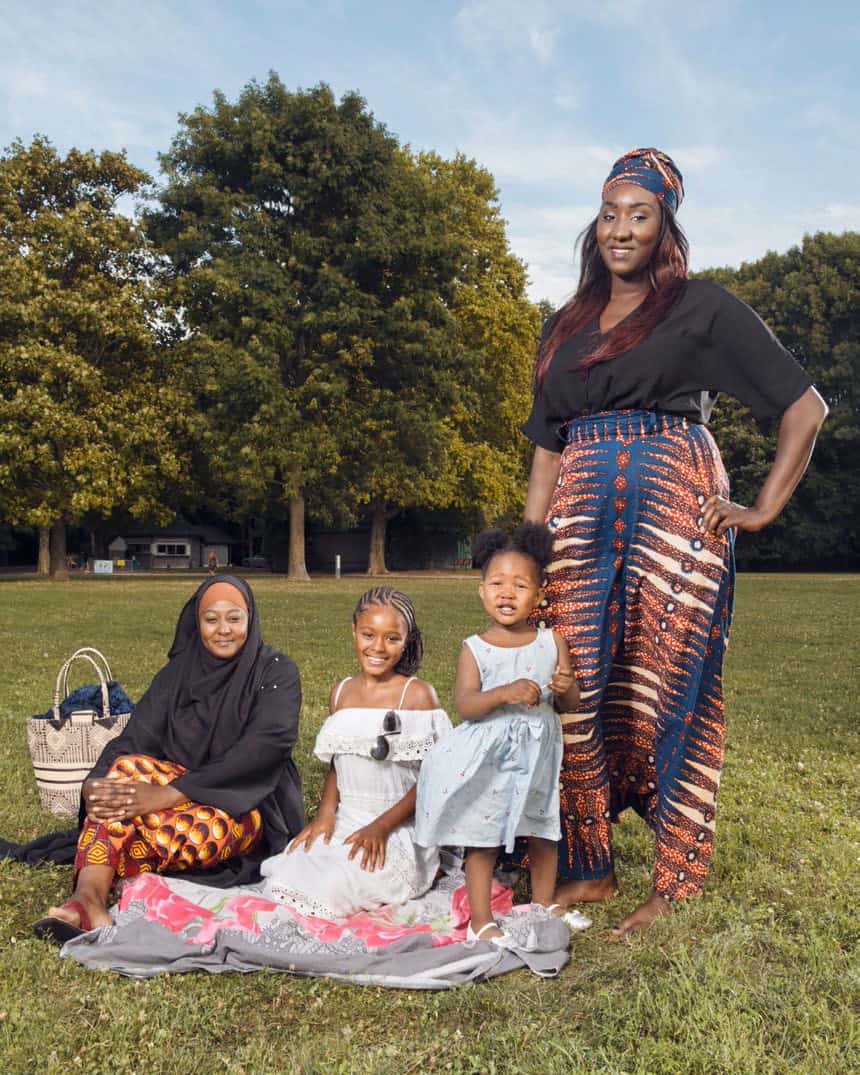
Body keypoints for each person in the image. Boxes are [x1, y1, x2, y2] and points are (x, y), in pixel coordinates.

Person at [522, 147, 828, 936]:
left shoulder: (702, 308)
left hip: (677, 512)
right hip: (579, 515)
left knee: (674, 679)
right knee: (573, 680)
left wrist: (760, 508)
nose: (622, 229)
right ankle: (588, 866)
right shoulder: (565, 326)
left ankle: (674, 878)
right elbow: (548, 446)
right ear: (595, 224)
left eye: (641, 214)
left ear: (665, 228)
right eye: (611, 213)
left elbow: (804, 406)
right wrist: (528, 546)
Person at [33, 576, 303, 943]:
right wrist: (94, 783)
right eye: (211, 619)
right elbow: (133, 739)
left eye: (234, 618)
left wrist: (170, 793)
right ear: (197, 622)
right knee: (120, 774)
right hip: (178, 786)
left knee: (149, 824)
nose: (223, 629)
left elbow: (265, 747)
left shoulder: (274, 671)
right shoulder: (179, 673)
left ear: (250, 619)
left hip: (245, 804)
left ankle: (91, 894)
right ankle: (88, 899)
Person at [415, 524, 582, 945]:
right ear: (481, 591)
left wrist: (566, 688)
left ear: (540, 594)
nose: (506, 593)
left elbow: (570, 705)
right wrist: (505, 692)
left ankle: (544, 904)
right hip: (489, 761)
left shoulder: (551, 643)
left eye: (520, 585)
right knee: (483, 837)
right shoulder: (476, 647)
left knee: (543, 830)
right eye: (496, 583)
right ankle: (481, 919)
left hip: (539, 759)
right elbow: (466, 705)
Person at [259, 587, 451, 918]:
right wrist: (324, 816)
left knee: (333, 886)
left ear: (407, 639)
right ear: (353, 631)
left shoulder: (417, 695)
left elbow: (435, 779)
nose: (378, 647)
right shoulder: (342, 692)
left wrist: (382, 827)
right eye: (368, 634)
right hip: (347, 819)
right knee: (287, 874)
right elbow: (339, 761)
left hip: (396, 826)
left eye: (392, 638)